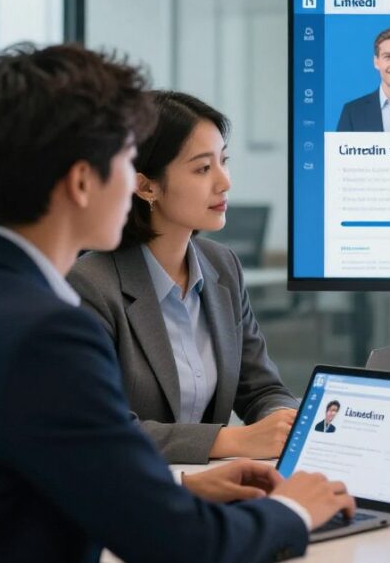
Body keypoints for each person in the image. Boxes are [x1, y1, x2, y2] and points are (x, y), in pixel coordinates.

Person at [0, 43, 354, 563]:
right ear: (84, 181)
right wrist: (293, 510)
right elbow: (183, 547)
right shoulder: (46, 332)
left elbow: (9, 488)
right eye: (128, 161)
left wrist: (173, 494)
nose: (133, 181)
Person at [68, 91, 297, 465]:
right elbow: (100, 427)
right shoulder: (90, 285)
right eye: (203, 168)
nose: (225, 182)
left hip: (212, 487)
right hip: (132, 494)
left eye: (223, 162)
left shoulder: (222, 267)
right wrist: (233, 441)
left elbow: (262, 389)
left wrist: (279, 422)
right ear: (145, 187)